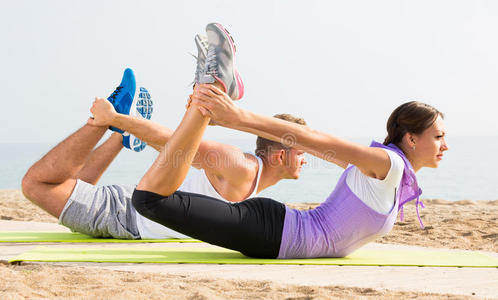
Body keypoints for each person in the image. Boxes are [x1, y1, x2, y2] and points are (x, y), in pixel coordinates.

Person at [132, 23, 449, 258]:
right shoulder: (388, 164)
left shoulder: (385, 172)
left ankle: (211, 92)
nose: (444, 146)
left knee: (151, 201)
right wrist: (235, 116)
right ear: (410, 138)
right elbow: (310, 137)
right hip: (273, 232)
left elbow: (307, 144)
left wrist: (232, 117)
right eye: (438, 137)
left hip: (275, 233)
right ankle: (211, 88)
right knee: (149, 201)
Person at [21, 67, 307, 239]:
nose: (306, 159)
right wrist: (114, 118)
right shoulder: (240, 166)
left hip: (130, 210)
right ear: (279, 156)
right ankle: (106, 119)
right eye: (302, 153)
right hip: (124, 216)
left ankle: (120, 139)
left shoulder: (250, 178)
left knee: (77, 183)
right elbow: (175, 144)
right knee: (35, 183)